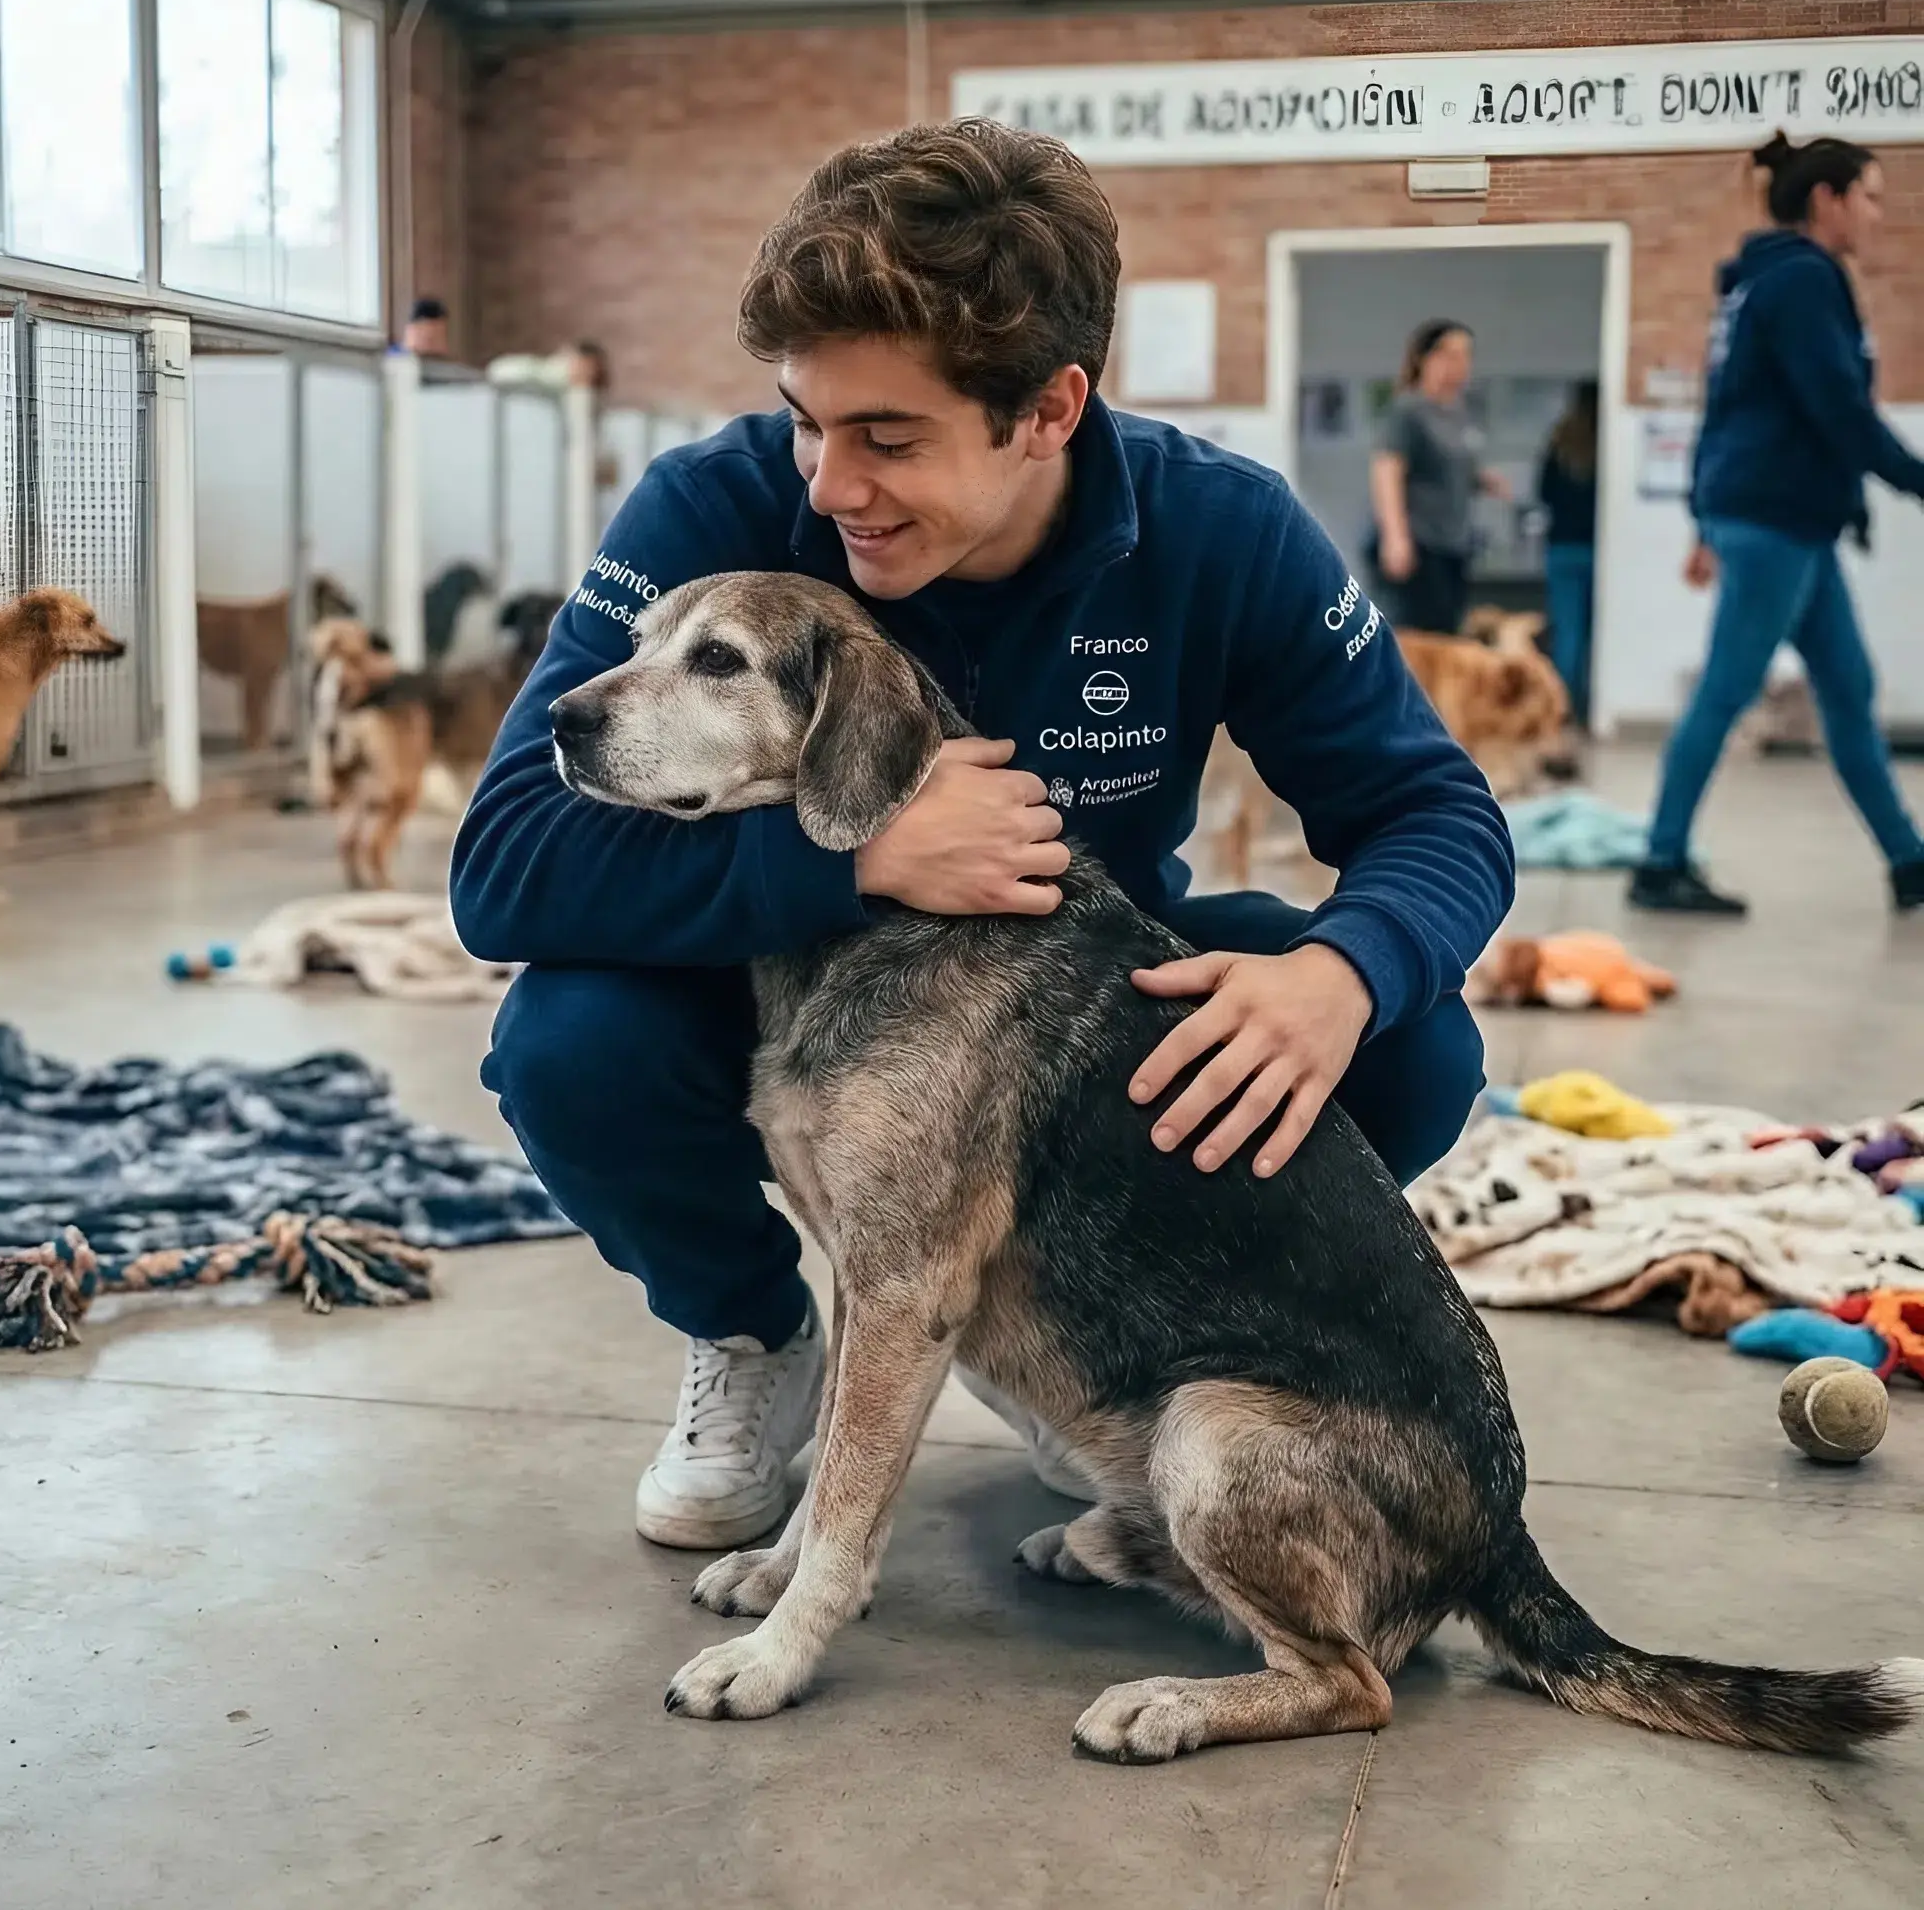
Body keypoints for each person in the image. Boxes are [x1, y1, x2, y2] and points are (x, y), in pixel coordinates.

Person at [451, 120, 1513, 1551]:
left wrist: (1344, 974)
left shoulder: (1220, 533)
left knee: (1408, 1038)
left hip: (1048, 1030)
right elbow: (504, 860)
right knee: (566, 1044)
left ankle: (1083, 1338)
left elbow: (1435, 812)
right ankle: (759, 1338)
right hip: (771, 996)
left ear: (1050, 409)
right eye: (803, 420)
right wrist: (851, 859)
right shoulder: (713, 511)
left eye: (889, 437)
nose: (830, 486)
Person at [1632, 132, 1924, 917]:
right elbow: (1837, 407)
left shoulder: (1761, 284)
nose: (1876, 214)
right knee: (1728, 688)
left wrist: (1703, 516)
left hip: (1785, 518)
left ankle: (1909, 860)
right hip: (1776, 518)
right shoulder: (1801, 281)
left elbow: (1725, 411)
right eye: (1869, 196)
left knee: (1848, 689)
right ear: (1827, 199)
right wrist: (1915, 480)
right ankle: (1659, 862)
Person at [1368, 319, 1512, 634]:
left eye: (1465, 356)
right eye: (1449, 355)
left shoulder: (1460, 413)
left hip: (1455, 543)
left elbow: (1454, 465)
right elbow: (1386, 471)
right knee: (1420, 639)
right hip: (1422, 544)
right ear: (1425, 359)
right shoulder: (1408, 411)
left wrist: (1485, 479)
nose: (1459, 365)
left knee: (1449, 631)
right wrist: (1395, 536)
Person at [1537, 380, 1599, 723]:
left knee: (1567, 632)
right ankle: (1585, 705)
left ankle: (1559, 709)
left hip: (1562, 548)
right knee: (1592, 633)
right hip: (1597, 550)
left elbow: (1543, 493)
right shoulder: (1607, 447)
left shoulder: (1560, 444)